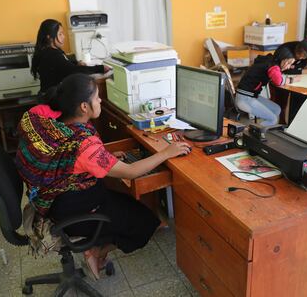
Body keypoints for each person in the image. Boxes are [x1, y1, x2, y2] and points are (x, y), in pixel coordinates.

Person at [15, 73, 191, 280]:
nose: (100, 100)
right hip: (76, 212)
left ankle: (96, 249)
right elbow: (132, 172)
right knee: (146, 223)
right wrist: (166, 153)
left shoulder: (49, 124)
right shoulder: (84, 145)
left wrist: (104, 158)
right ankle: (96, 251)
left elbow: (74, 160)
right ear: (84, 107)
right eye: (97, 97)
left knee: (128, 204)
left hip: (58, 201)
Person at [31, 19, 110, 93]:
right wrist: (100, 68)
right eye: (60, 34)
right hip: (52, 98)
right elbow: (74, 70)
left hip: (47, 93)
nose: (63, 36)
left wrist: (76, 63)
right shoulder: (52, 54)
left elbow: (63, 64)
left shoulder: (48, 50)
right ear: (49, 37)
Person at [235, 53, 300, 126]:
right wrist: (293, 80)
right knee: (273, 119)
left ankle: (262, 129)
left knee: (276, 109)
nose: (288, 67)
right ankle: (253, 132)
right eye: (289, 63)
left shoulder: (270, 60)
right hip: (245, 99)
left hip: (251, 96)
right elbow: (279, 82)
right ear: (284, 60)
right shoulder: (273, 66)